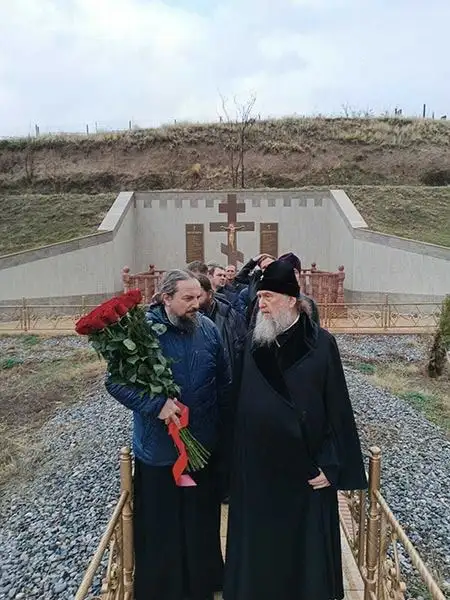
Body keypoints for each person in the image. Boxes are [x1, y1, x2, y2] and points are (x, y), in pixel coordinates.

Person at [224, 260, 367, 600]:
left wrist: (332, 464)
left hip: (305, 472)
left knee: (302, 568)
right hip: (258, 473)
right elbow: (237, 405)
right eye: (260, 297)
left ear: (291, 299)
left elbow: (338, 409)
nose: (261, 304)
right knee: (261, 564)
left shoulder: (322, 344)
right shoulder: (254, 343)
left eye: (268, 297)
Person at [106, 270, 231, 600]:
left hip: (201, 447)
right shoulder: (141, 333)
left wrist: (226, 435)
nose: (196, 304)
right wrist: (155, 404)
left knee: (200, 521)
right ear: (165, 299)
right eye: (187, 298)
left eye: (198, 297)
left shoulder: (208, 329)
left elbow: (224, 382)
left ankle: (203, 584)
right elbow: (115, 382)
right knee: (163, 526)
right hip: (159, 451)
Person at [278, 251, 321, 326]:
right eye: (286, 271)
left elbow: (315, 330)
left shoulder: (309, 304)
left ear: (299, 275)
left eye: (295, 272)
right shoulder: (267, 300)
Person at [234, 254, 275, 323]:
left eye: (270, 266)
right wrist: (253, 261)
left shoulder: (284, 279)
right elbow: (240, 277)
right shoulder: (255, 279)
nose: (268, 269)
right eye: (264, 267)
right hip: (256, 320)